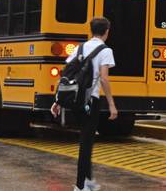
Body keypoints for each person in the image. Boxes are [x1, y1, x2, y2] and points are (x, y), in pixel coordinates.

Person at [51, 17, 118, 191]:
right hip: (90, 101)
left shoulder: (80, 48)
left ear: (91, 30)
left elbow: (67, 74)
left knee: (86, 140)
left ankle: (87, 181)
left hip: (75, 100)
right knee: (86, 143)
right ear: (107, 32)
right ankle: (81, 186)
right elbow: (104, 79)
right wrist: (111, 104)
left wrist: (57, 100)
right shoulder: (105, 50)